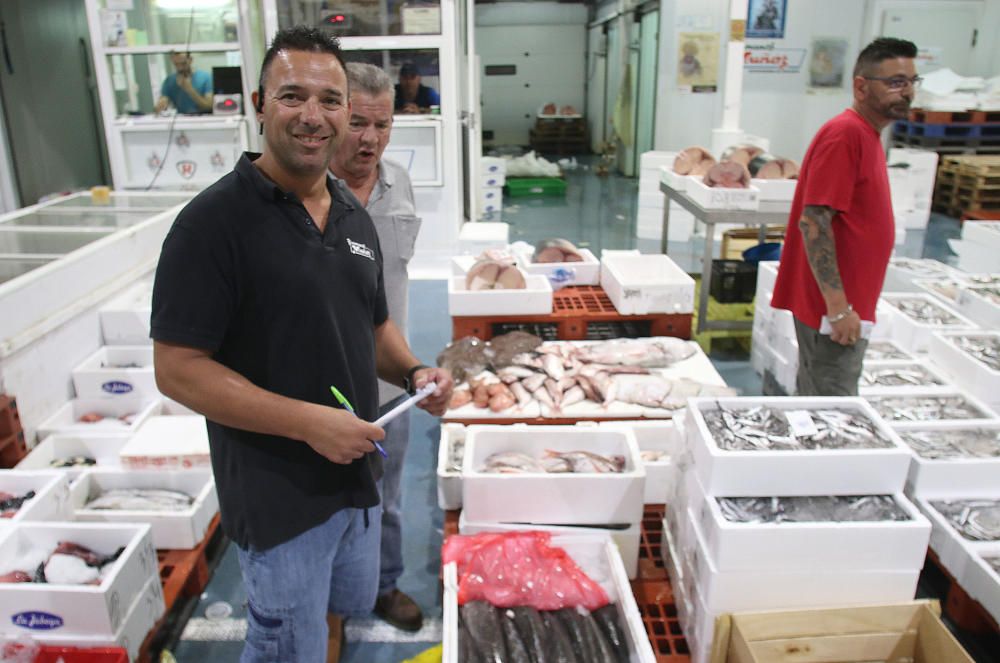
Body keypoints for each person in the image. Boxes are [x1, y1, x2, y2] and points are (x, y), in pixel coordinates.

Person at [150, 26, 453, 663]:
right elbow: (177, 370)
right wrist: (309, 424)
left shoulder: (351, 213)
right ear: (259, 104)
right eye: (292, 97)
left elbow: (372, 329)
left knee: (339, 612)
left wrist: (414, 368)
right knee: (287, 643)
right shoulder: (212, 224)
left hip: (358, 477)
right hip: (279, 497)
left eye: (330, 100)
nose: (313, 117)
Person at [328, 62, 425, 632]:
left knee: (388, 496)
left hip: (392, 380)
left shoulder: (400, 184)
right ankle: (331, 599)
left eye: (382, 125)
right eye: (358, 123)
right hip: (321, 388)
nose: (369, 138)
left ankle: (384, 586)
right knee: (325, 502)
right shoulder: (305, 193)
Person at [771, 37, 919, 396]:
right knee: (830, 407)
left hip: (846, 305)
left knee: (821, 397)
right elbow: (814, 223)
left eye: (913, 82)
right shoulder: (845, 135)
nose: (908, 92)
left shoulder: (868, 134)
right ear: (861, 86)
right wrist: (838, 309)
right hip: (832, 313)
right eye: (896, 82)